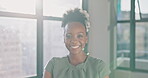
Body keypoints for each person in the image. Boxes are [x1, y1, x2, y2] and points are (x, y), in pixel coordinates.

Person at [43, 8, 110, 78]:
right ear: (64, 38)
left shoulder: (99, 67)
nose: (74, 41)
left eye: (79, 36)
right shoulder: (53, 66)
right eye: (69, 36)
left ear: (86, 39)